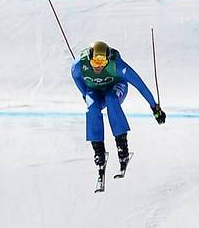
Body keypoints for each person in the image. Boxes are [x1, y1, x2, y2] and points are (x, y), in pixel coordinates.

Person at [71, 40, 166, 176]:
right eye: (95, 62)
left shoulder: (117, 65)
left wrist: (155, 107)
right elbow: (76, 78)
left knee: (111, 100)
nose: (99, 66)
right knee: (92, 107)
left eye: (102, 62)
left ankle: (122, 146)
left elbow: (140, 85)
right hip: (94, 90)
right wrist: (84, 93)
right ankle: (98, 150)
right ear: (89, 58)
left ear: (108, 59)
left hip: (115, 87)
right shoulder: (79, 65)